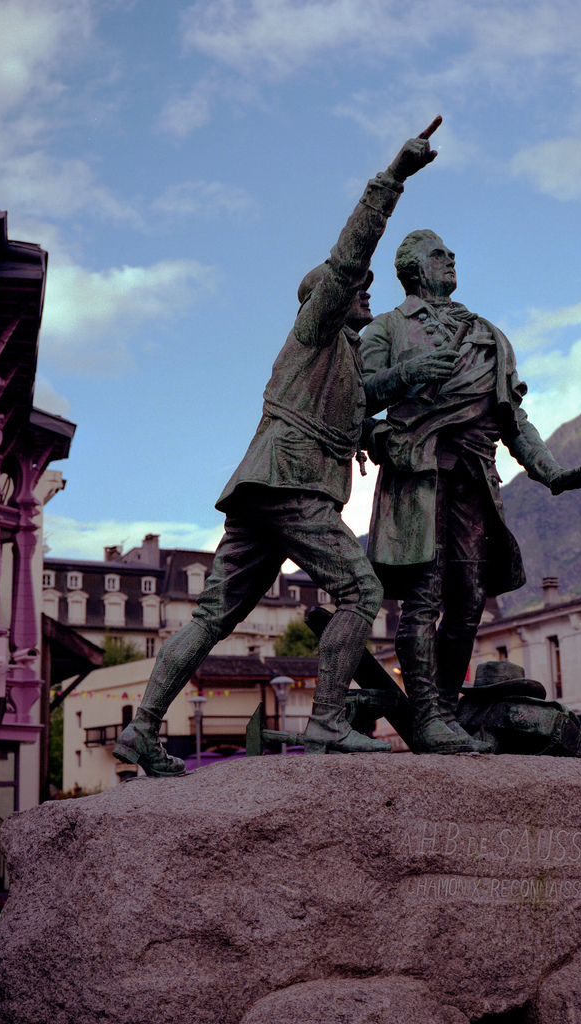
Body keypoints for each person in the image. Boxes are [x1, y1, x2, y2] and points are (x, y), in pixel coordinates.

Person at [113, 120, 444, 775]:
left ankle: (141, 730)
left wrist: (410, 381)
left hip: (264, 491)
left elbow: (363, 404)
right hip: (292, 485)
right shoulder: (316, 329)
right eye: (359, 287)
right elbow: (351, 251)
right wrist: (394, 177)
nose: (368, 291)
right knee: (360, 592)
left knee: (211, 615)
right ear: (328, 296)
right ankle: (325, 722)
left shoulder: (341, 361)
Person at [360, 230, 581, 754]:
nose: (450, 258)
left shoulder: (488, 335)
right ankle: (428, 715)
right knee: (423, 600)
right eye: (437, 254)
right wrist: (405, 379)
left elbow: (513, 419)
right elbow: (353, 403)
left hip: (476, 477)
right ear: (411, 269)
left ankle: (445, 712)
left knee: (470, 601)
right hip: (419, 478)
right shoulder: (386, 330)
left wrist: (552, 472)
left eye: (451, 253)